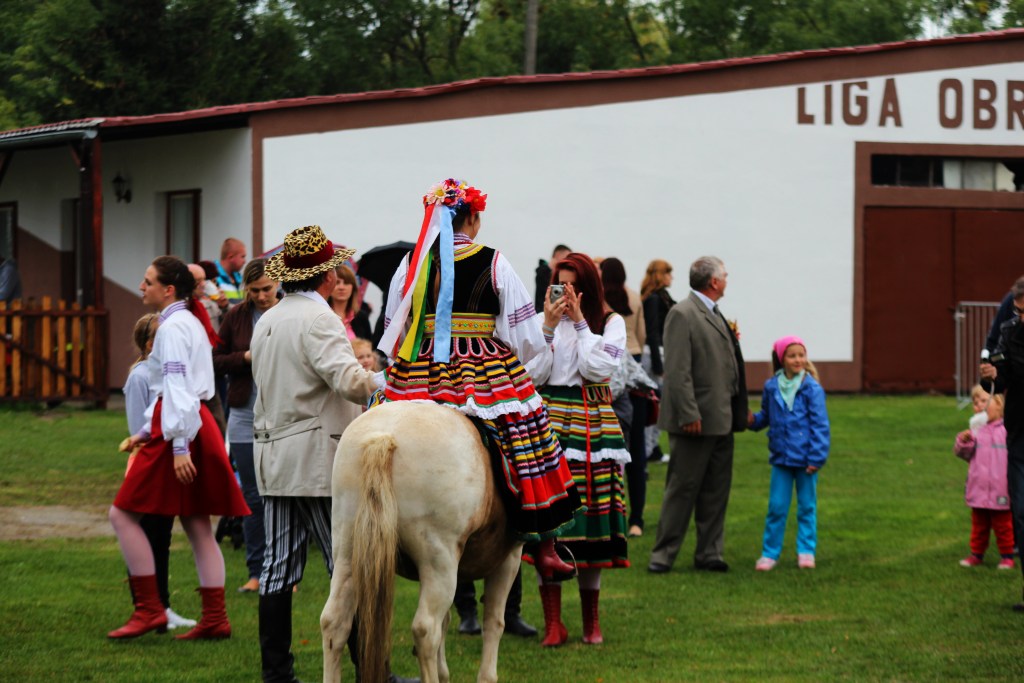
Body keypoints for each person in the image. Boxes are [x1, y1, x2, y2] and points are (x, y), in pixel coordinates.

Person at [377, 177, 581, 579]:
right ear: (471, 218)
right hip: (481, 368)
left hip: (418, 368)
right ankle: (544, 544)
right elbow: (525, 340)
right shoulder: (494, 261)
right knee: (529, 432)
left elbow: (393, 327)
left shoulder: (411, 264)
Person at [251, 225, 415, 683]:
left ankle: (276, 674)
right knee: (347, 567)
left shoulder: (269, 319)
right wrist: (392, 379)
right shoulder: (319, 319)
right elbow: (348, 380)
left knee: (277, 569)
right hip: (320, 460)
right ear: (325, 276)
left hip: (275, 457)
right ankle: (373, 672)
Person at [108, 256, 250, 640]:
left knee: (122, 515)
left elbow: (177, 388)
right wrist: (145, 429)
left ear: (168, 289)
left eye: (148, 280)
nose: (142, 286)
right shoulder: (188, 321)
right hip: (190, 423)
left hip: (183, 428)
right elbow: (175, 390)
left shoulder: (171, 327)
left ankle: (150, 609)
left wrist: (179, 447)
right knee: (197, 524)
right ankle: (215, 619)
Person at [526, 252, 631, 647]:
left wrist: (582, 322)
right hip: (549, 419)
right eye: (560, 285)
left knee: (591, 520)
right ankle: (553, 624)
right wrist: (549, 328)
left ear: (588, 287)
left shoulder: (611, 322)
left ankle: (591, 622)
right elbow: (532, 374)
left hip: (591, 424)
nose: (566, 294)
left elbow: (597, 369)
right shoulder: (542, 322)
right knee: (549, 521)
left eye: (573, 286)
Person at [648, 255, 747, 575]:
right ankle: (663, 555)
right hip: (695, 419)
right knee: (682, 489)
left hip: (721, 418)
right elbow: (678, 371)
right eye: (725, 275)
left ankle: (709, 553)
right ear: (713, 281)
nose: (727, 280)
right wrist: (689, 413)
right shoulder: (683, 313)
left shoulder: (714, 313)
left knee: (716, 491)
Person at [121, 313, 196, 631]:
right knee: (147, 536)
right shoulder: (140, 377)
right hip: (149, 467)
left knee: (161, 537)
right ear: (151, 344)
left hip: (167, 466)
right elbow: (140, 427)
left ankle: (162, 606)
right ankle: (146, 606)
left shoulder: (168, 375)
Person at [213, 258, 279, 594]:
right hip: (243, 414)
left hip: (282, 415)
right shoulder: (236, 317)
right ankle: (257, 571)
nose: (262, 296)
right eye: (254, 291)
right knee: (252, 496)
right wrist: (245, 358)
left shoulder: (289, 313)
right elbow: (216, 359)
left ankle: (282, 571)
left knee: (279, 495)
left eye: (267, 289)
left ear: (277, 284)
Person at [748, 336, 830, 571]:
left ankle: (806, 551)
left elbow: (820, 426)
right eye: (792, 356)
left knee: (807, 507)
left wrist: (816, 458)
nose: (798, 360)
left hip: (806, 461)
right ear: (781, 359)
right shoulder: (771, 387)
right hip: (781, 459)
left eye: (801, 355)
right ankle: (769, 554)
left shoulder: (812, 389)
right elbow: (766, 416)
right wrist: (751, 420)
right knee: (776, 507)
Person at [980, 275, 1024, 609]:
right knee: (1020, 512)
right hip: (1019, 432)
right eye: (1019, 311)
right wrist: (992, 377)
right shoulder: (1009, 332)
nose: (1021, 317)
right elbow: (1002, 381)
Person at [601, 257, 648, 538]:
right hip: (635, 361)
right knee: (638, 451)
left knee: (610, 449)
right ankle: (637, 519)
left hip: (610, 368)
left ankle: (611, 512)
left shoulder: (599, 298)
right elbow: (642, 333)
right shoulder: (634, 297)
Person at [954, 387, 1014, 570]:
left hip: (1000, 488)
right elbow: (963, 454)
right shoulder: (975, 430)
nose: (979, 405)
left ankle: (1007, 556)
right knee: (979, 525)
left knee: (1003, 524)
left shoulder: (1007, 430)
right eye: (975, 402)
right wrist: (964, 441)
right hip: (978, 487)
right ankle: (976, 554)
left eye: (984, 401)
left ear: (999, 404)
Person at [640, 259, 675, 462]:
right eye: (668, 273)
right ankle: (648, 449)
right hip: (654, 356)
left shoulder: (662, 298)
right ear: (660, 275)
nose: (672, 277)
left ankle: (652, 447)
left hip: (658, 354)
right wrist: (658, 365)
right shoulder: (654, 299)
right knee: (653, 405)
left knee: (657, 405)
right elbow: (652, 332)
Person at [328, 264, 371, 340]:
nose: (341, 287)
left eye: (346, 283)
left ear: (353, 287)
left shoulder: (361, 317)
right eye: (337, 282)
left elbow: (369, 345)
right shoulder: (321, 316)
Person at [534, 244, 572, 313]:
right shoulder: (543, 273)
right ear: (557, 255)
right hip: (543, 313)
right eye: (566, 258)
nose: (568, 262)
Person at [215, 237, 247, 307]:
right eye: (242, 257)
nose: (244, 261)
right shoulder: (213, 278)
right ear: (230, 257)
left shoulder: (240, 279)